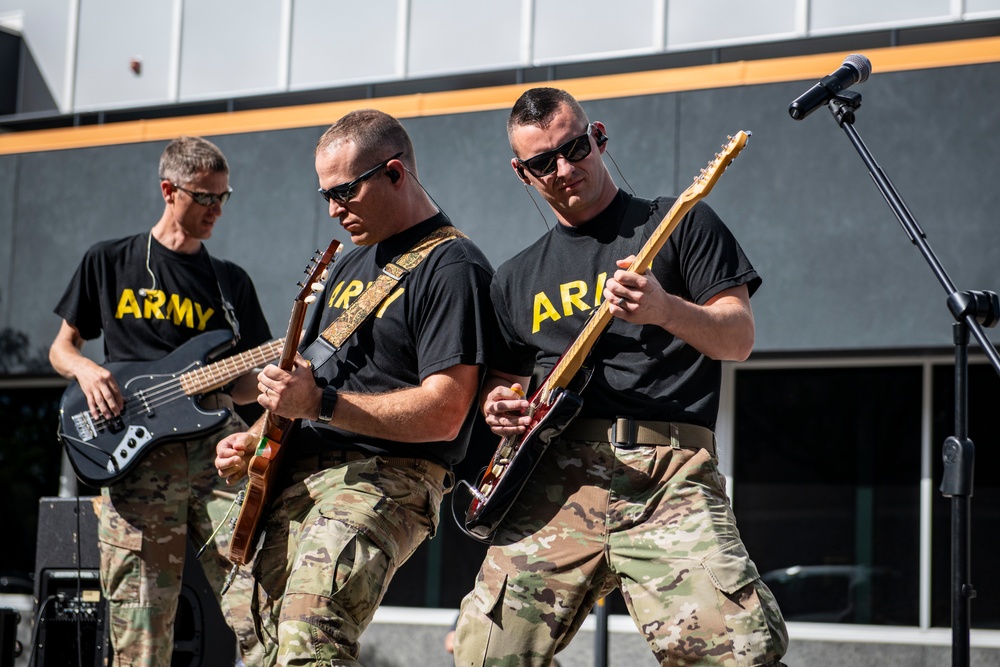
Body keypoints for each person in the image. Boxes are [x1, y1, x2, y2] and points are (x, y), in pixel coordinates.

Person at [453, 87, 789, 666]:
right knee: (486, 655)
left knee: (733, 657)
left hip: (666, 476)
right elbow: (502, 383)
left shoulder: (682, 222)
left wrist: (665, 310)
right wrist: (497, 405)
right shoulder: (512, 278)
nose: (564, 169)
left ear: (598, 137)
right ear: (521, 173)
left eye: (574, 147)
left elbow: (738, 338)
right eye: (541, 162)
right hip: (552, 483)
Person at [214, 108, 496, 666]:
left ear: (395, 173)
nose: (333, 210)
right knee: (257, 635)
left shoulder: (452, 265)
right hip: (299, 473)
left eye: (344, 191)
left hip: (386, 477)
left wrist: (320, 403)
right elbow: (305, 378)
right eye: (324, 195)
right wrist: (255, 436)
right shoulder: (347, 265)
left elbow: (445, 411)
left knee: (310, 629)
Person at [49, 136, 270, 665]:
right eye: (205, 197)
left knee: (259, 596)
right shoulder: (108, 261)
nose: (217, 209)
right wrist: (86, 370)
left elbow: (246, 385)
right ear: (169, 190)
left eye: (224, 197)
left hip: (217, 454)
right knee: (141, 623)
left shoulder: (230, 282)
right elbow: (62, 347)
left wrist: (251, 384)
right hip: (133, 455)